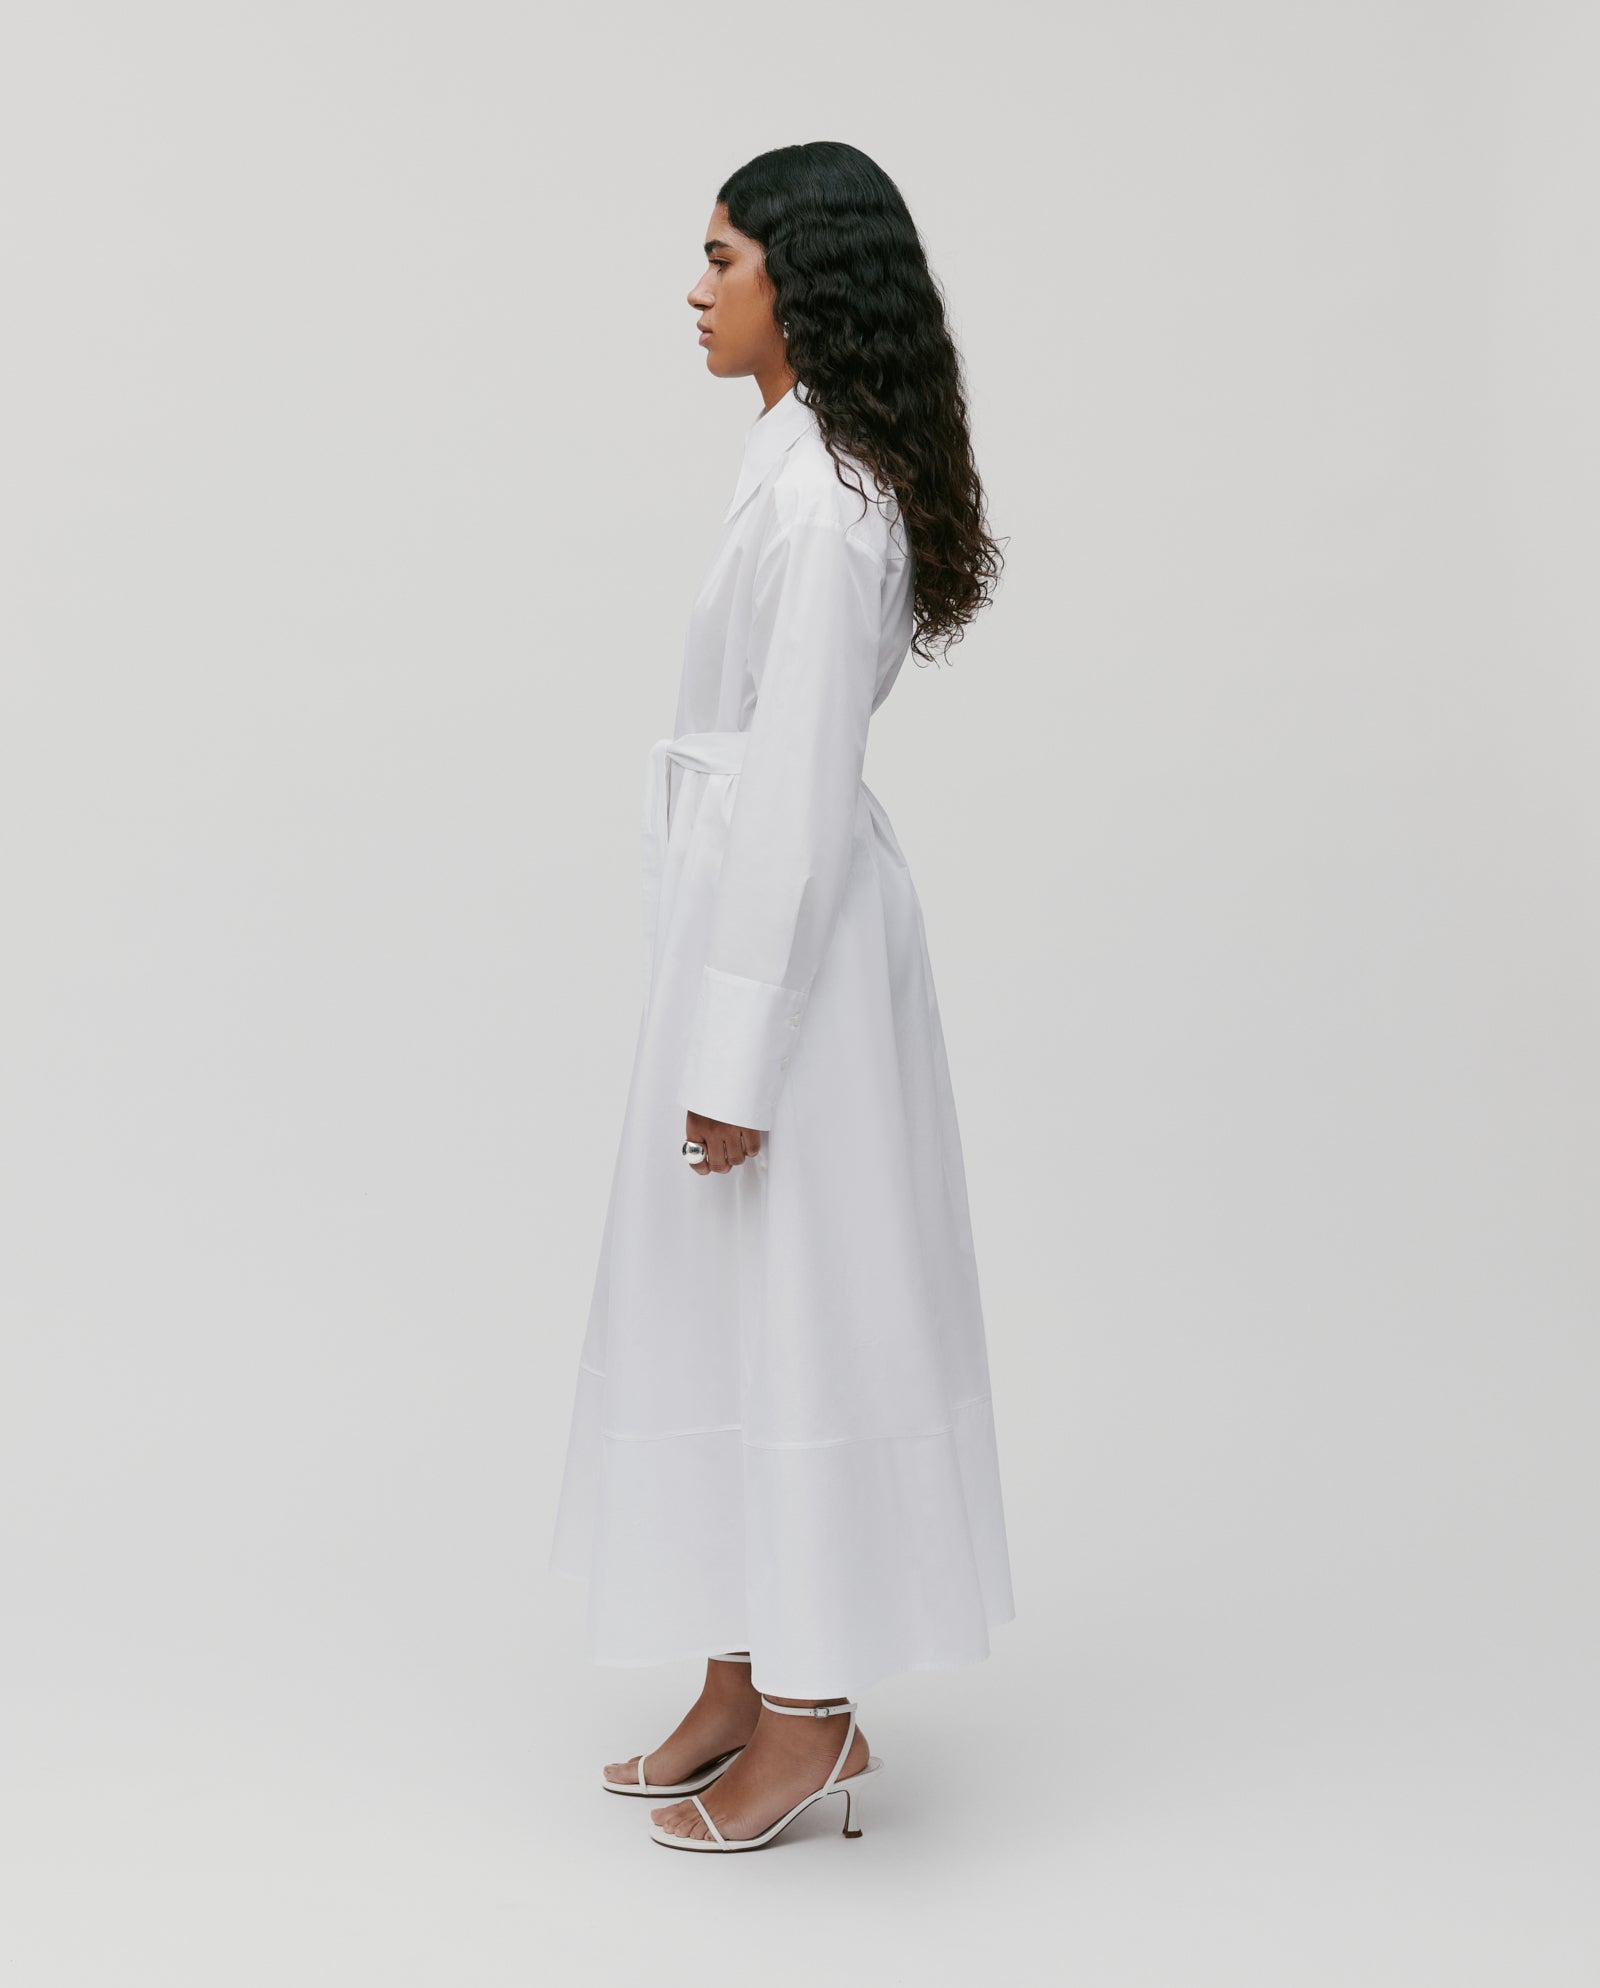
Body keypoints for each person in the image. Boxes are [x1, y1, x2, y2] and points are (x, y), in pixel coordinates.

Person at [550, 141, 1015, 1853]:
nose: (696, 285)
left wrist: (737, 1050)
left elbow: (803, 787)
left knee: (806, 1295)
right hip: (739, 920)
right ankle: (739, 1668)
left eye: (722, 255)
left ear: (800, 282)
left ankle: (816, 1716)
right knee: (715, 1293)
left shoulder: (825, 505)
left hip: (789, 953)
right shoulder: (792, 457)